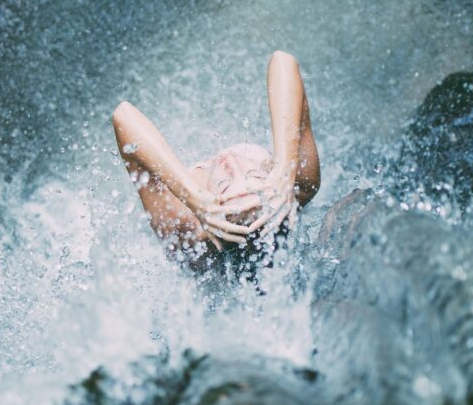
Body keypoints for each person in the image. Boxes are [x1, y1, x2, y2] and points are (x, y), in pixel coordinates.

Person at [112, 50, 320, 263]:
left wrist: (191, 197)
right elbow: (282, 60)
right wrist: (286, 166)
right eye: (253, 175)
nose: (229, 161)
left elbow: (123, 115)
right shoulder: (297, 186)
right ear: (276, 182)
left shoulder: (185, 228)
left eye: (223, 184)